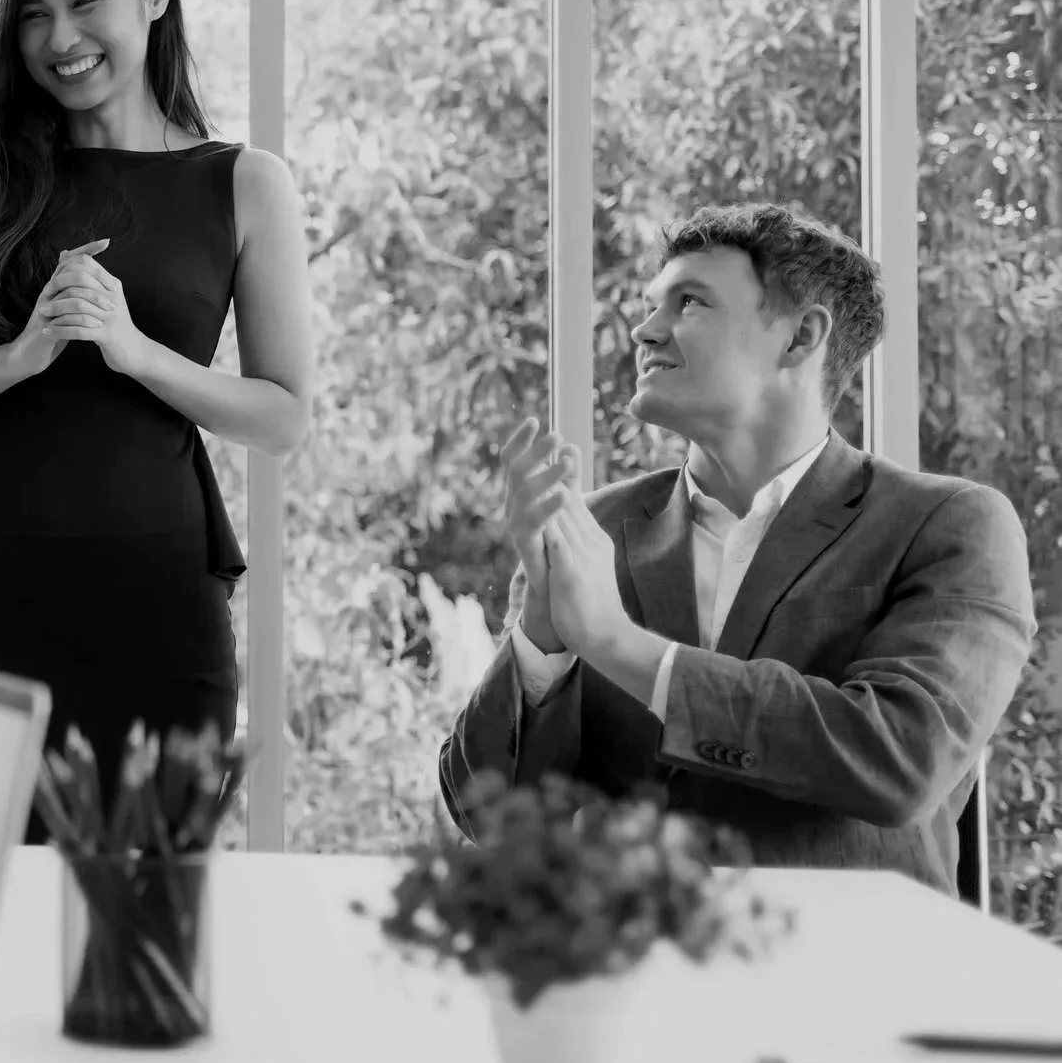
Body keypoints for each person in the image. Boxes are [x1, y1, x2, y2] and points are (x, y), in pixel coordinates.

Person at [441, 204, 1036, 897]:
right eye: (649, 304)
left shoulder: (949, 524)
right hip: (630, 982)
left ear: (800, 336)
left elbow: (898, 757)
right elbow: (491, 817)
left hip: (857, 982)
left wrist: (611, 640)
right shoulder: (592, 527)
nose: (644, 329)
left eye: (689, 301)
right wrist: (544, 636)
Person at [0, 0, 313, 813]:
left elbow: (281, 416)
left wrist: (136, 350)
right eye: (32, 14)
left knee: (147, 912)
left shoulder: (245, 184)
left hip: (157, 600)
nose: (59, 37)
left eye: (84, 1)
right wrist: (20, 358)